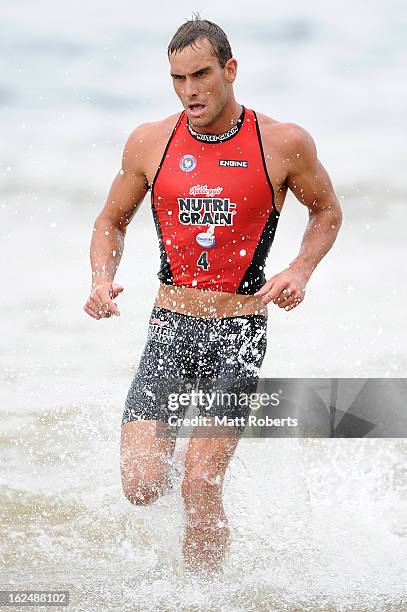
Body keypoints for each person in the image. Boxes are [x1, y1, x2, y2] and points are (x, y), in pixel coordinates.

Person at [83, 16, 342, 574]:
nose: (189, 90)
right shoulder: (151, 141)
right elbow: (111, 220)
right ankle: (182, 469)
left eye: (201, 74)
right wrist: (102, 279)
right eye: (177, 78)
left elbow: (326, 211)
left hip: (238, 333)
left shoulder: (281, 142)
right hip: (169, 330)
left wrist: (299, 269)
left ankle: (206, 596)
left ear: (230, 69)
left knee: (200, 484)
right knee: (144, 486)